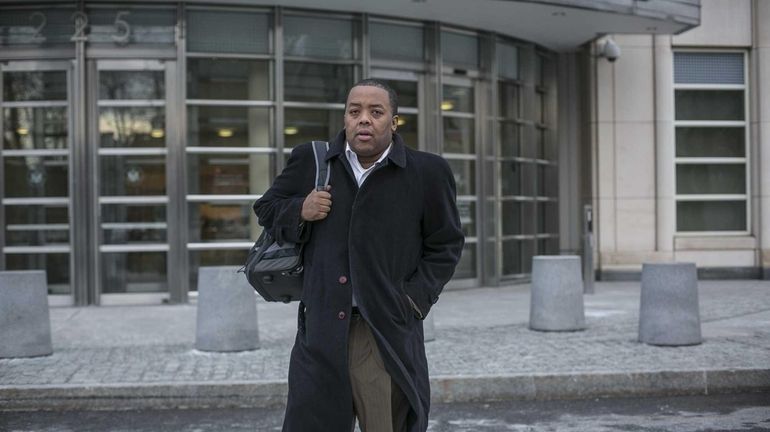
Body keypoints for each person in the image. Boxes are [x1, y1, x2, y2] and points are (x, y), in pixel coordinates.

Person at [254, 78, 464, 432]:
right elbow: (266, 207)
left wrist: (413, 301)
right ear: (345, 119)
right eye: (355, 111)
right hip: (321, 330)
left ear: (393, 122)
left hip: (383, 329)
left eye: (375, 112)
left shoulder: (427, 172)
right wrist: (299, 210)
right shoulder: (314, 160)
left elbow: (445, 244)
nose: (363, 119)